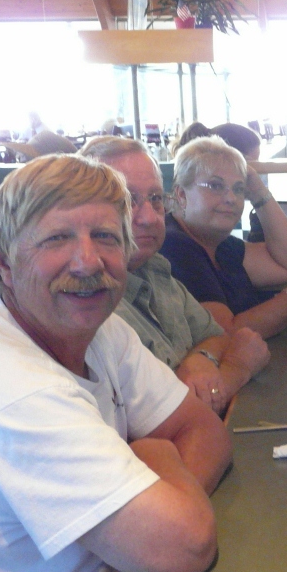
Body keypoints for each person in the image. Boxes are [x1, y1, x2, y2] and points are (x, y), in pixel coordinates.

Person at [0, 154, 231, 572]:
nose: (88, 262)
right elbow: (183, 545)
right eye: (56, 238)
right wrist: (155, 453)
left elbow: (204, 430)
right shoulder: (10, 389)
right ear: (4, 262)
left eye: (105, 237)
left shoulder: (99, 331)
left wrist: (133, 556)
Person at [80, 136, 270, 416]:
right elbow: (165, 422)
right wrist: (237, 368)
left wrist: (200, 358)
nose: (149, 218)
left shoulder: (155, 268)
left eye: (155, 199)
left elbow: (217, 336)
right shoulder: (89, 302)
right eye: (127, 200)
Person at [160, 136, 287, 338]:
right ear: (181, 194)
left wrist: (257, 191)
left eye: (238, 189)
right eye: (215, 186)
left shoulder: (219, 244)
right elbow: (225, 332)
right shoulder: (174, 244)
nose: (231, 198)